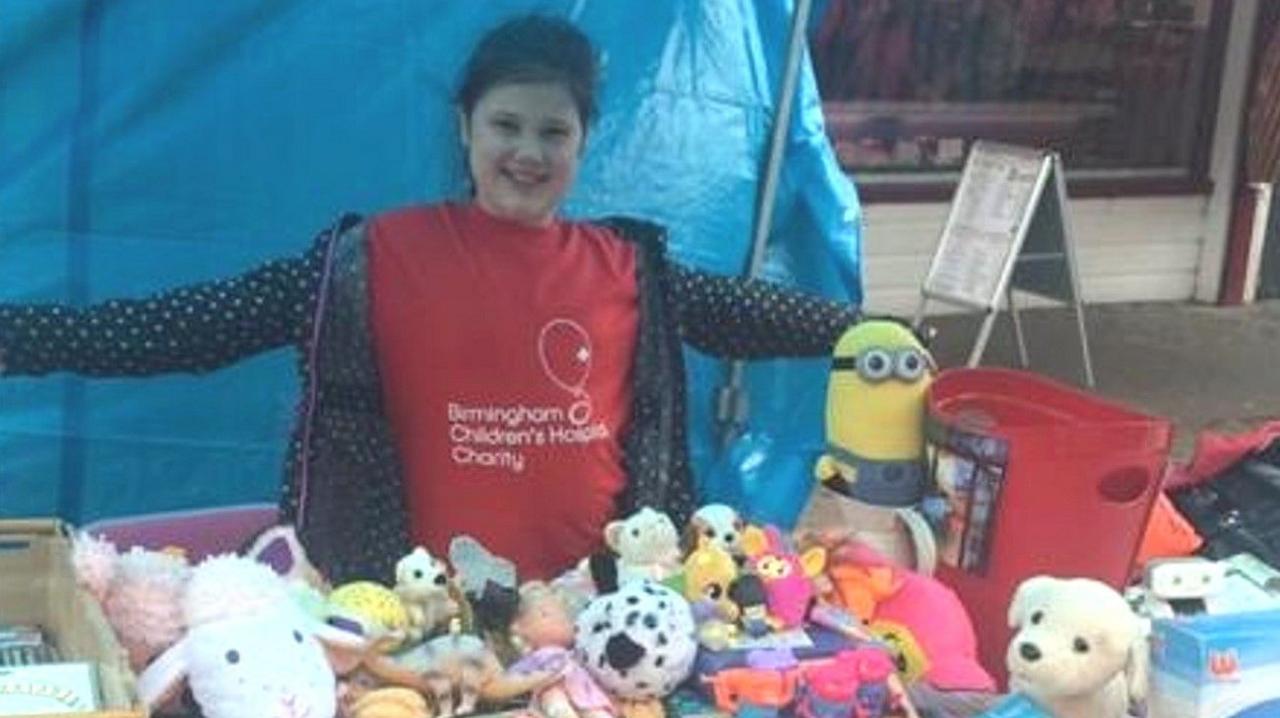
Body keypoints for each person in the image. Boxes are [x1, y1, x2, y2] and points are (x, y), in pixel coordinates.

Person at [0, 15, 861, 584]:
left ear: (585, 140)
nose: (527, 151)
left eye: (553, 132)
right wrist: (18, 337)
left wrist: (865, 333)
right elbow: (192, 328)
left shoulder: (627, 266)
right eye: (506, 126)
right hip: (415, 616)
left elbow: (747, 312)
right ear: (465, 127)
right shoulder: (371, 258)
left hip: (595, 610)